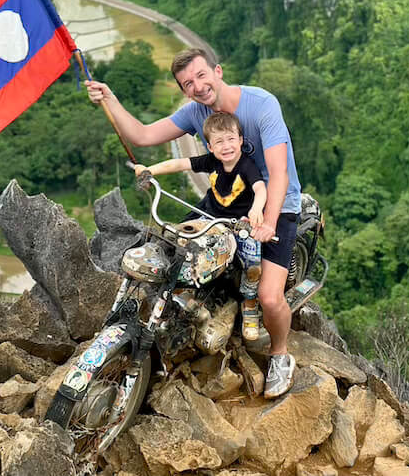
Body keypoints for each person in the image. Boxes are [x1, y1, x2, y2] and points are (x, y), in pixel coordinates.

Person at [86, 46, 302, 399]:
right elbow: (141, 135)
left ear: (217, 71)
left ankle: (279, 353)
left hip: (273, 203)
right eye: (188, 83)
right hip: (225, 199)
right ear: (184, 90)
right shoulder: (195, 112)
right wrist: (109, 99)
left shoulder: (262, 106)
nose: (198, 86)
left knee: (268, 295)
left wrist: (268, 222)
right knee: (174, 253)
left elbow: (278, 174)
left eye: (201, 76)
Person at [134, 111, 267, 342]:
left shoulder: (247, 166)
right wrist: (151, 169)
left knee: (253, 264)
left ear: (240, 141)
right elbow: (180, 163)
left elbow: (260, 188)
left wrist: (256, 210)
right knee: (182, 244)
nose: (226, 146)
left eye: (230, 139)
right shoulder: (211, 161)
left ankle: (250, 304)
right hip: (210, 216)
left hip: (239, 223)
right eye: (219, 142)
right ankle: (186, 291)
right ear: (210, 146)